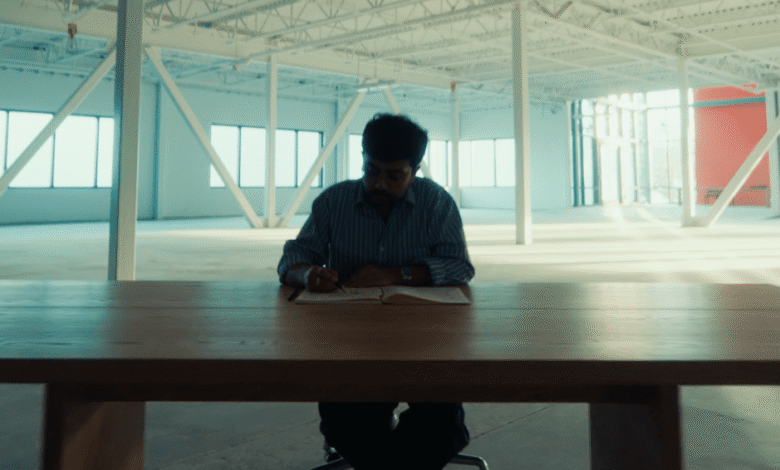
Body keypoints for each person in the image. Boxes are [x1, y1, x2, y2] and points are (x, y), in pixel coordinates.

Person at [277, 113, 475, 470]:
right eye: (372, 170)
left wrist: (395, 275)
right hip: (349, 345)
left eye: (394, 175)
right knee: (350, 426)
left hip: (426, 342)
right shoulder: (333, 202)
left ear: (415, 170)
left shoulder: (436, 203)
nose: (379, 183)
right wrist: (308, 275)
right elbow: (293, 258)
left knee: (440, 427)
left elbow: (459, 266)